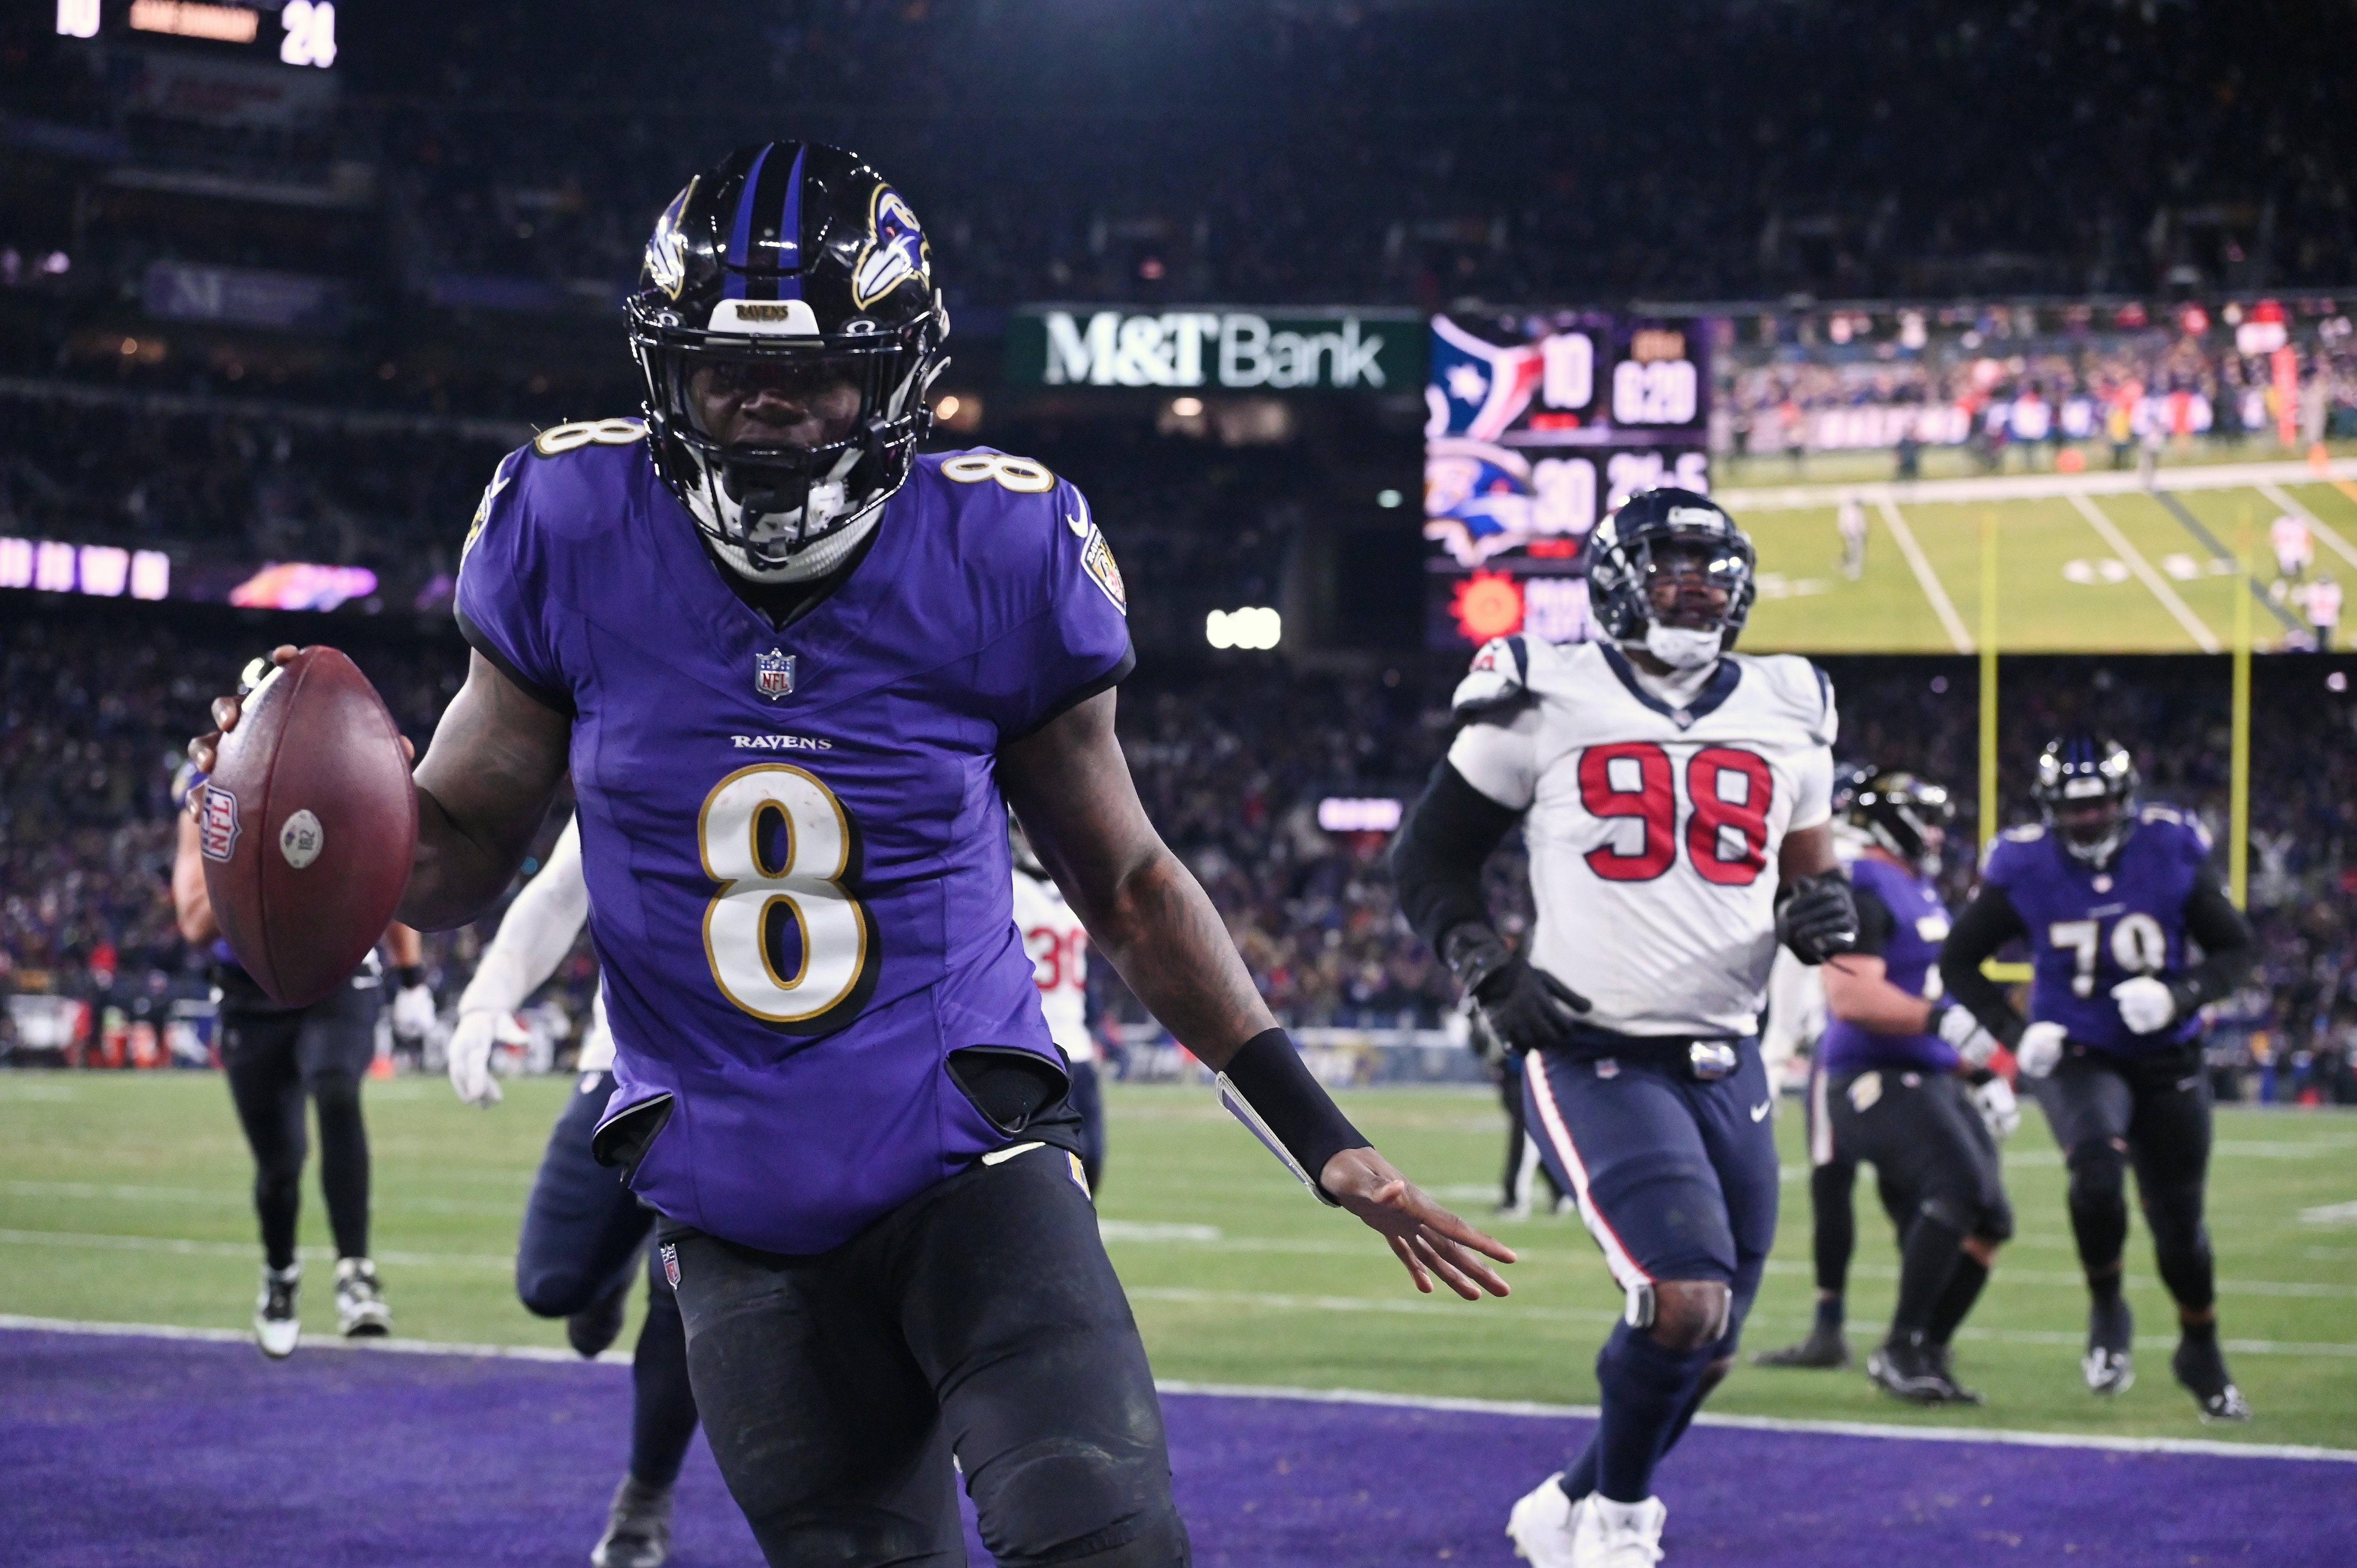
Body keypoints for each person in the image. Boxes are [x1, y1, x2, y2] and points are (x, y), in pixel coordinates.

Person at [194, 141, 1509, 1568]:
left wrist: (1322, 1136)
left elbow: (1125, 883)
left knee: (1110, 1544)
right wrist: (306, 824)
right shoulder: (570, 528)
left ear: (891, 376)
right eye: (723, 372)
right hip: (730, 1199)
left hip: (968, 1163)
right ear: (664, 370)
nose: (764, 412)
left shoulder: (997, 547)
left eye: (812, 375)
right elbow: (454, 849)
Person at [1391, 487, 1856, 1568]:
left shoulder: (1794, 703)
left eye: (1709, 563)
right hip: (1594, 1048)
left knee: (1715, 1340)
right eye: (1667, 561)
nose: (1692, 582)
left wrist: (1821, 913)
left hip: (1728, 1054)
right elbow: (1429, 857)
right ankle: (1616, 1530)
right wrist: (1485, 967)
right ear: (1615, 578)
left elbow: (1809, 886)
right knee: (1682, 1301)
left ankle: (1564, 1501)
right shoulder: (1545, 688)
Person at [1938, 735, 2256, 1421]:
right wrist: (2019, 1035)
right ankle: (2107, 1307)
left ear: (2124, 800)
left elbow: (2235, 947)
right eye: (2073, 807)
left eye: (2100, 804)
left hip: (2166, 1051)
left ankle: (2198, 1346)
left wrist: (2181, 994)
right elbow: (1958, 960)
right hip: (2078, 1051)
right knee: (2095, 1174)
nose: (2087, 819)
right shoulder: (2023, 863)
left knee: (2179, 1227)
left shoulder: (2168, 846)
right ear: (2051, 808)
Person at [445, 814, 701, 1568]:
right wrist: (486, 998)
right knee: (552, 1285)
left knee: (685, 1291)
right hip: (625, 1062)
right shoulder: (629, 740)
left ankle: (643, 1500)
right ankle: (608, 1265)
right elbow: (560, 893)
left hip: (753, 1077)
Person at [170, 752, 426, 1358]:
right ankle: (281, 1274)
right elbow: (195, 923)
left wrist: (412, 976)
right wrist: (251, 843)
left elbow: (389, 872)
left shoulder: (346, 763)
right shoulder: (208, 788)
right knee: (279, 1166)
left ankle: (357, 1271)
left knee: (337, 1088)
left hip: (336, 968)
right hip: (249, 988)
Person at [1799, 769, 2016, 1404]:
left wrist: (1972, 1069)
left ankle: (1926, 1345)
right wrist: (1940, 1021)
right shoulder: (1860, 882)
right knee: (1956, 1184)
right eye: (1923, 816)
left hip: (1924, 1069)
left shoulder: (1914, 887)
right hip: (1868, 1073)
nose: (1937, 831)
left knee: (1991, 1216)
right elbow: (1850, 993)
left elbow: (1920, 991)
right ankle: (1898, 1345)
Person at [1008, 810, 1107, 1190]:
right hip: (1034, 1048)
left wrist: (1093, 1025)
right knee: (1037, 1168)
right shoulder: (1009, 887)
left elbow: (1082, 979)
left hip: (1076, 1046)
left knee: (1092, 1160)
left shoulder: (1070, 890)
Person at [1835, 496, 1867, 581]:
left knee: (1857, 554)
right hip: (1851, 536)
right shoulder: (1849, 512)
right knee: (1852, 554)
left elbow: (1862, 524)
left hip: (1857, 536)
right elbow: (1845, 525)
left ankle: (1855, 570)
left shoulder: (1856, 511)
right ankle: (1851, 570)